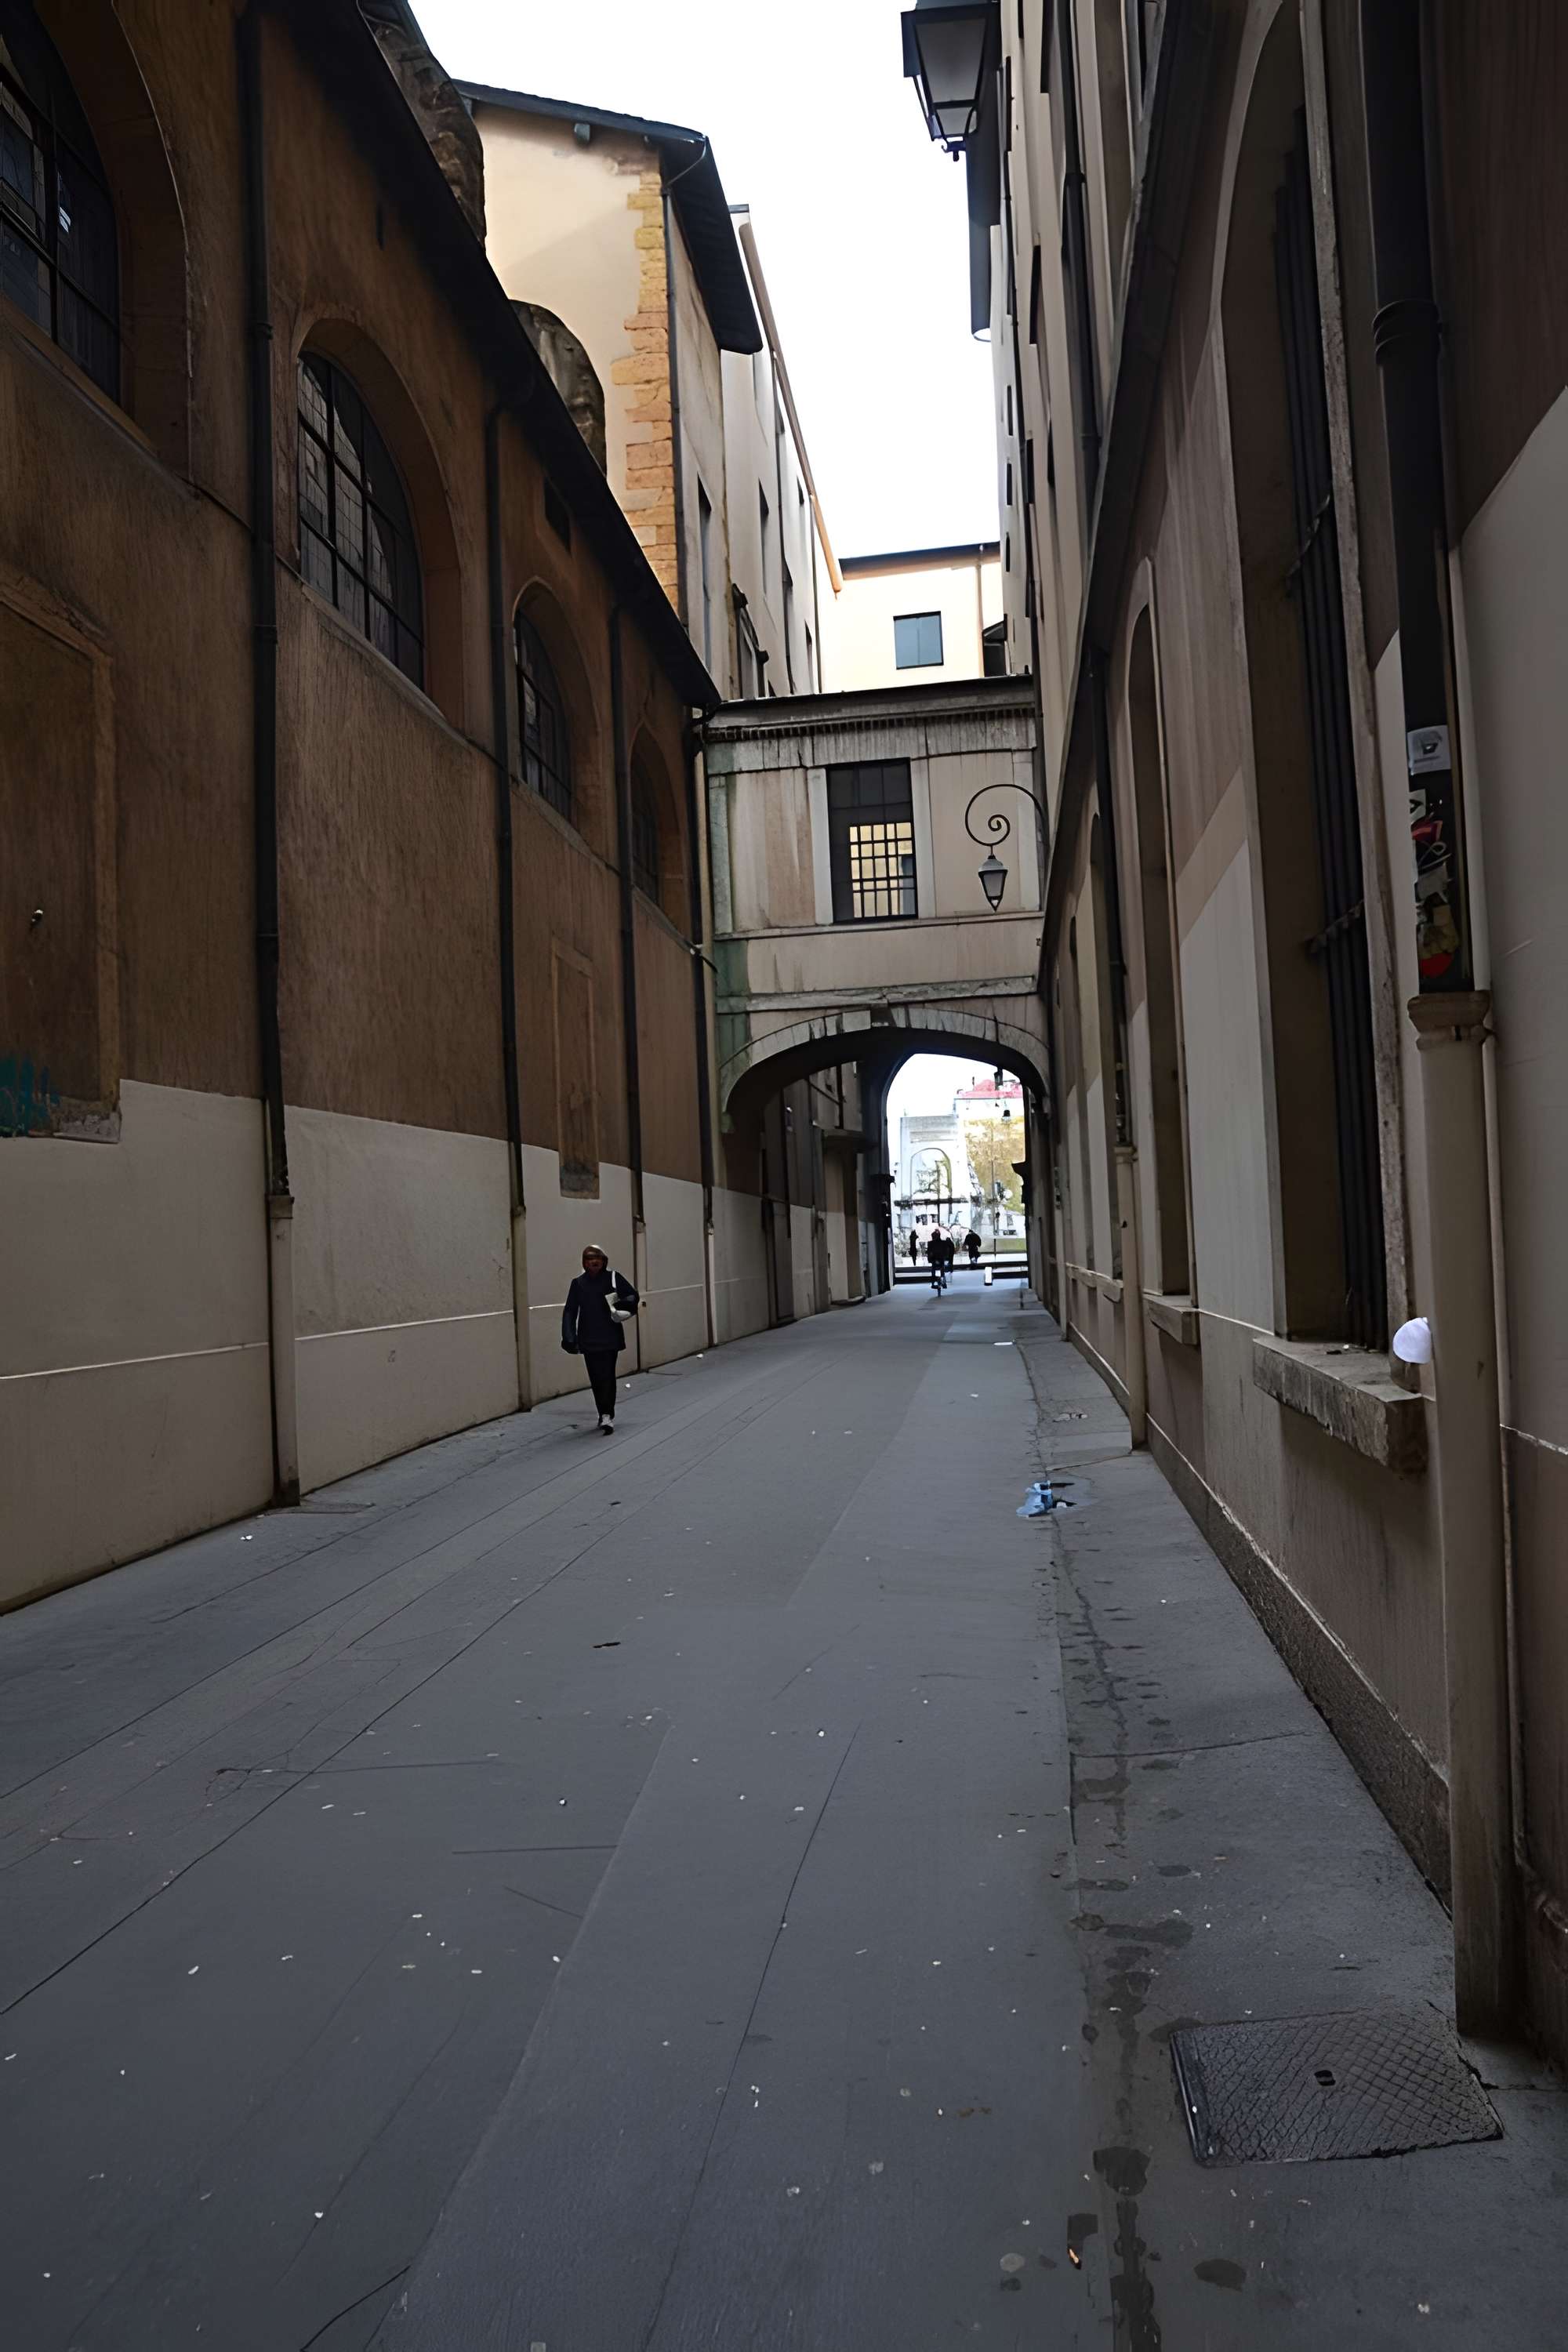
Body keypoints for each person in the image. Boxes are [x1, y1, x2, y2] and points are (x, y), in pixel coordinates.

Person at [561, 1244, 639, 1433]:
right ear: (584, 1263)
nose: (594, 1262)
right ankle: (602, 1411)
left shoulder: (613, 1278)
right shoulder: (578, 1283)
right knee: (596, 1377)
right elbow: (570, 1310)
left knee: (608, 1375)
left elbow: (632, 1296)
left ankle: (607, 1414)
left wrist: (622, 1304)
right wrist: (569, 1336)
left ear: (604, 1262)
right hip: (588, 1337)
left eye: (598, 1259)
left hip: (609, 1335)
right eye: (589, 1259)